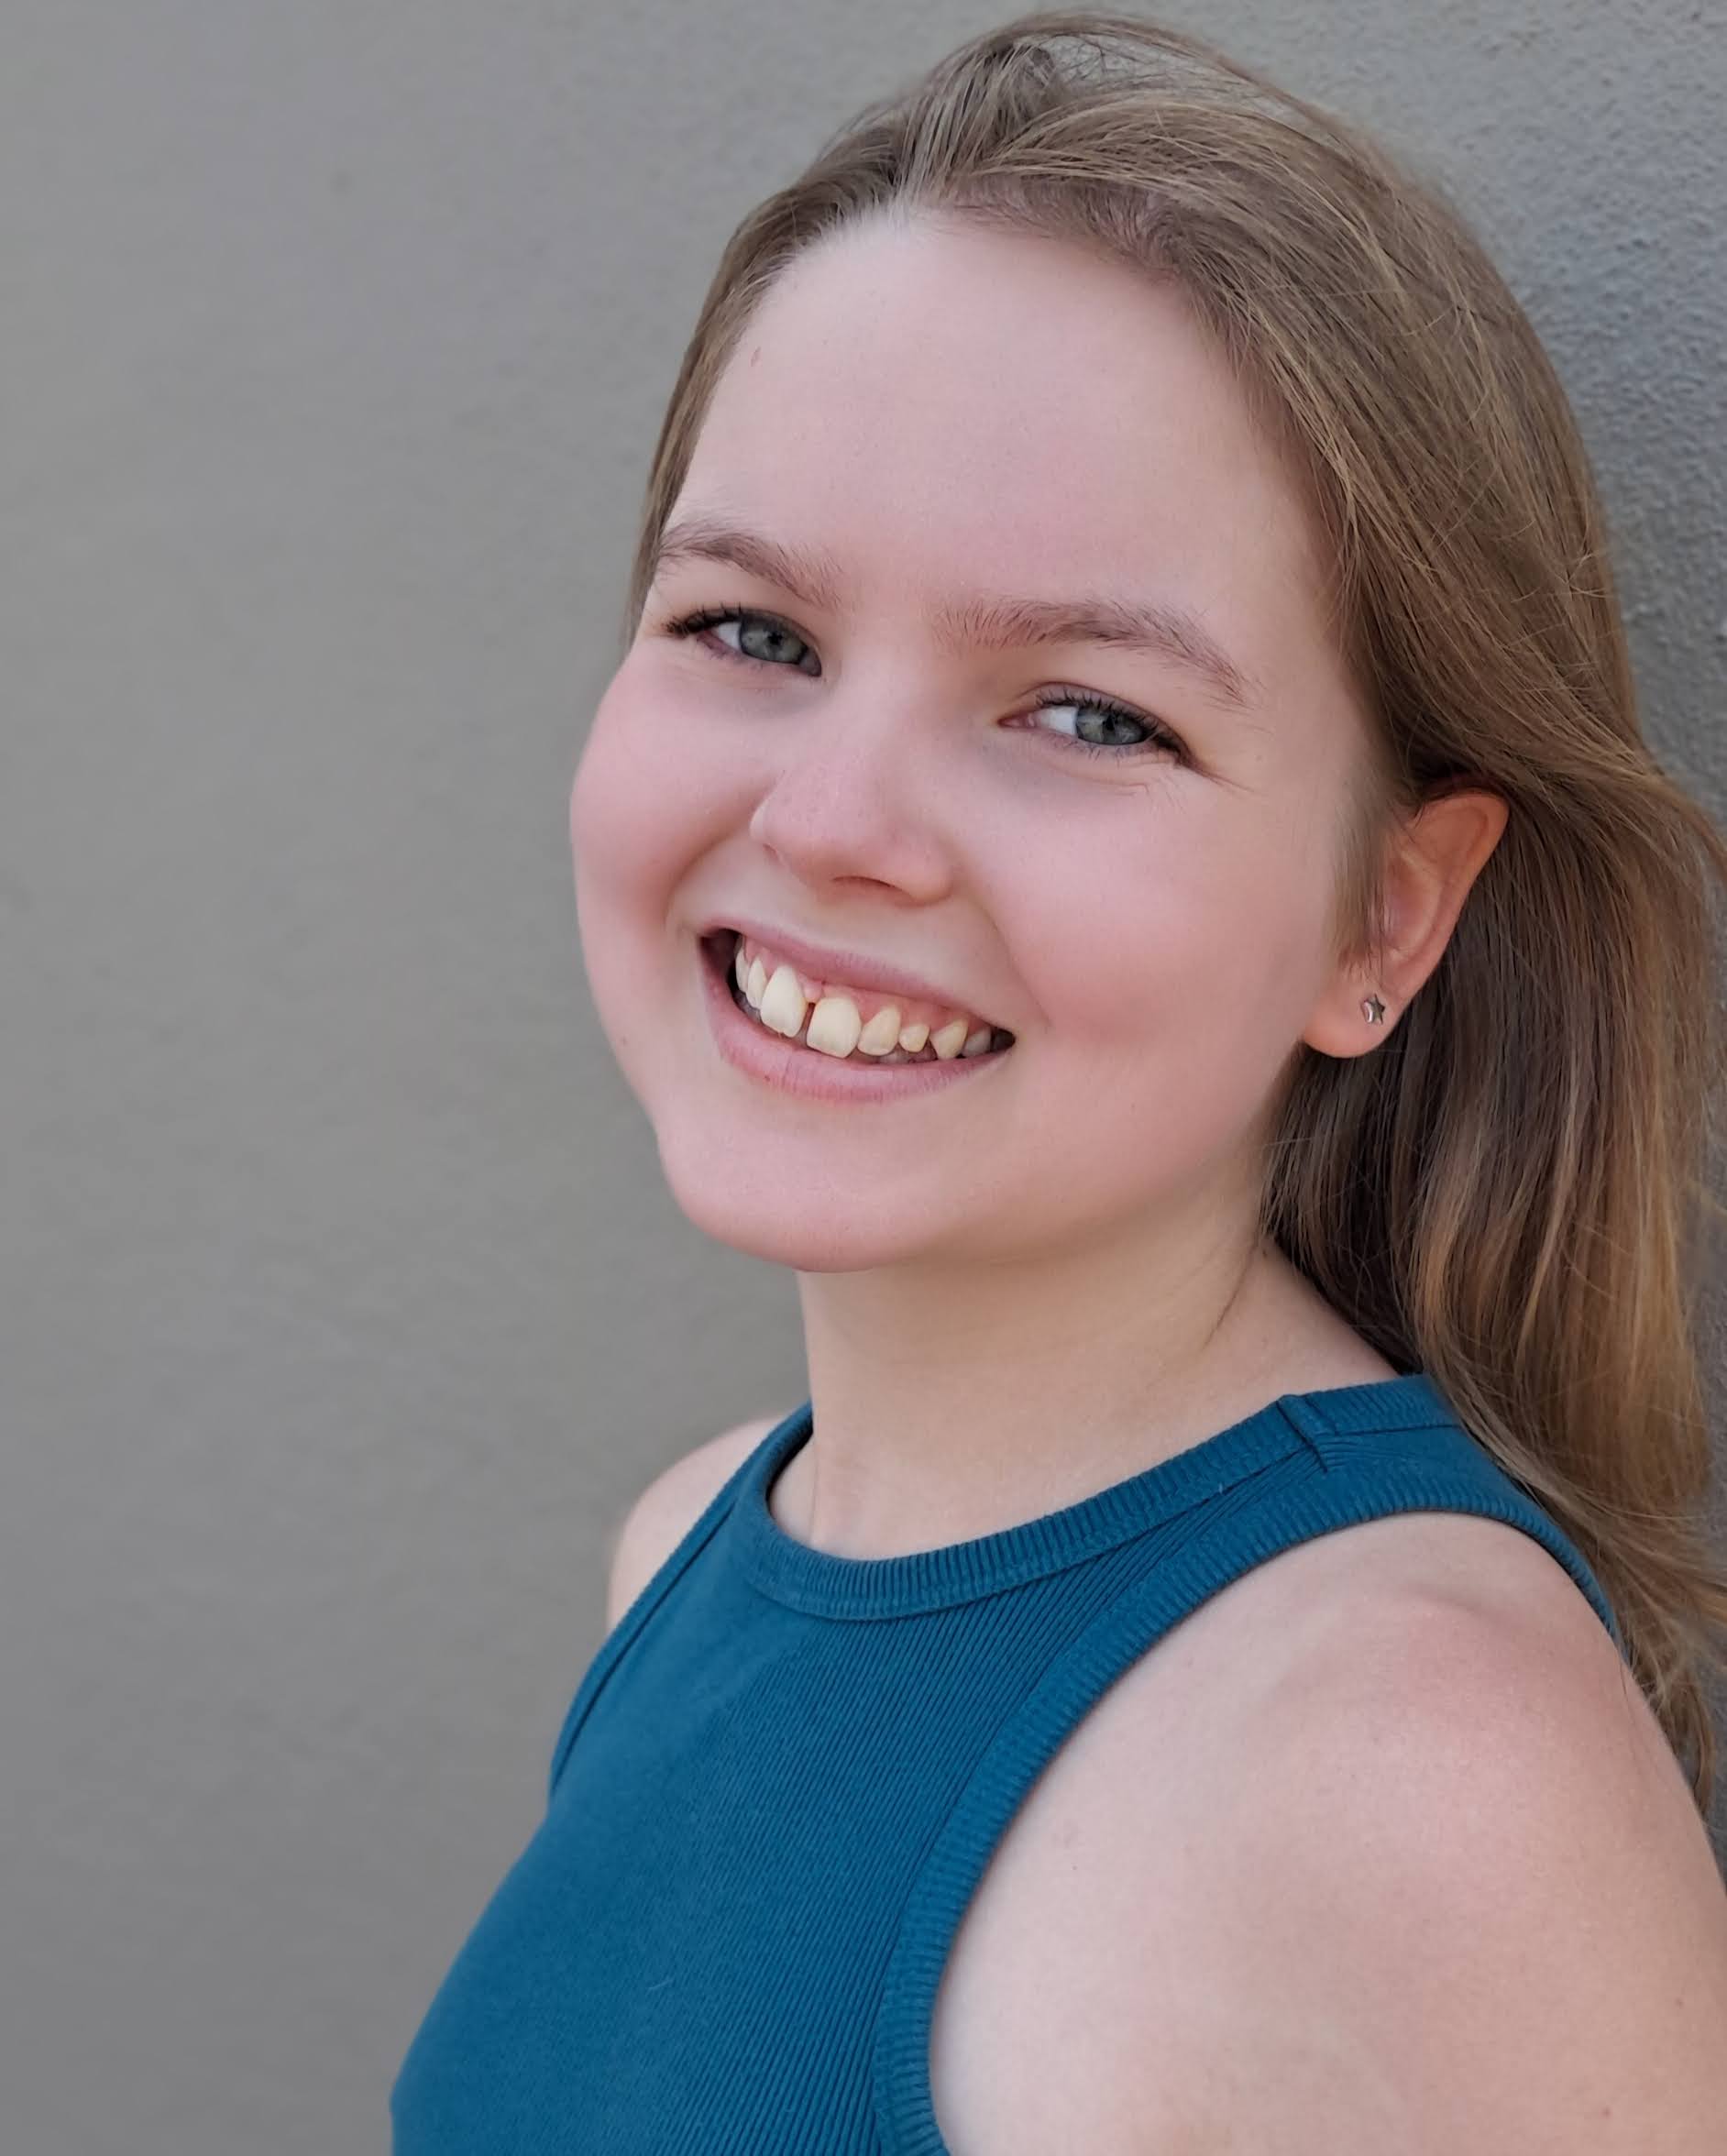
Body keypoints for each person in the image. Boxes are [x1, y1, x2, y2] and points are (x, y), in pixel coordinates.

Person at [391, 12, 1727, 2150]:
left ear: (1389, 918)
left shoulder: (1411, 1768)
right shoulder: (690, 1555)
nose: (836, 822)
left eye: (1091, 715)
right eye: (754, 631)